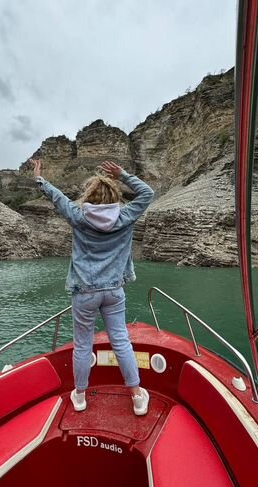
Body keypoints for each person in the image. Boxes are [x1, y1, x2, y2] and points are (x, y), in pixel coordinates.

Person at [30, 158, 154, 415]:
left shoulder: (78, 216)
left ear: (89, 196)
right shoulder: (126, 215)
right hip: (113, 291)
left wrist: (39, 178)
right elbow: (147, 192)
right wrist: (123, 175)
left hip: (84, 292)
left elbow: (57, 197)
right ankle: (137, 395)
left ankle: (80, 395)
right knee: (121, 341)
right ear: (114, 197)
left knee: (83, 345)